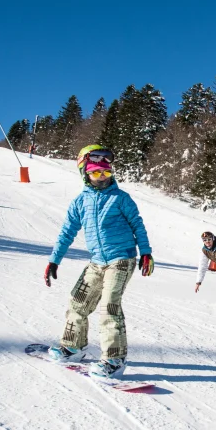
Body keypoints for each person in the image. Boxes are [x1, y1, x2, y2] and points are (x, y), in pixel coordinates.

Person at [44, 144, 154, 379]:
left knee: (109, 306)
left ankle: (114, 359)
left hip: (122, 259)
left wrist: (145, 252)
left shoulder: (120, 198)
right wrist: (54, 260)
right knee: (77, 302)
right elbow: (66, 233)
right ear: (85, 172)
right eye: (96, 172)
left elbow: (138, 225)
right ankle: (73, 346)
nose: (102, 177)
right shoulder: (79, 202)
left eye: (106, 172)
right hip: (96, 261)